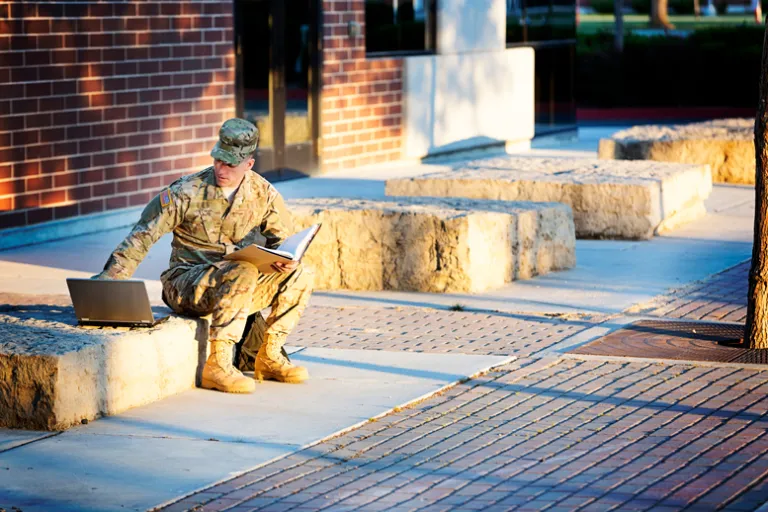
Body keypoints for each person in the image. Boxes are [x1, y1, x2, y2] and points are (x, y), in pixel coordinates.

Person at [94, 118, 314, 394]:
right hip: (186, 284)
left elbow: (282, 241)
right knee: (243, 270)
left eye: (230, 164)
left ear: (249, 163)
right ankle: (218, 364)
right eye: (218, 160)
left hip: (236, 285)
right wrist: (108, 283)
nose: (221, 169)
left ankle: (269, 355)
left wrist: (285, 259)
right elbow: (142, 236)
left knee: (302, 273)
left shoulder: (264, 193)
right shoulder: (186, 191)